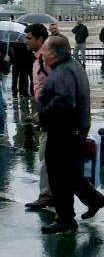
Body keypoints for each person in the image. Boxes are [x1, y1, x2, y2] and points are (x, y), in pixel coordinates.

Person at [33, 36, 104, 234]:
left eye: (45, 51)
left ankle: (65, 218)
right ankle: (93, 200)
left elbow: (65, 102)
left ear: (54, 53)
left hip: (65, 128)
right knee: (69, 171)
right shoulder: (71, 65)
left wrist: (42, 116)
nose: (42, 55)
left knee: (58, 172)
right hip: (74, 126)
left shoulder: (64, 71)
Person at [23, 24, 54, 210]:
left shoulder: (46, 58)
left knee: (47, 154)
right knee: (47, 154)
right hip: (45, 109)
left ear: (40, 39)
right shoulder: (38, 58)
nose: (26, 41)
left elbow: (57, 87)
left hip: (50, 112)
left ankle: (47, 195)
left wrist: (44, 112)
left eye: (29, 38)